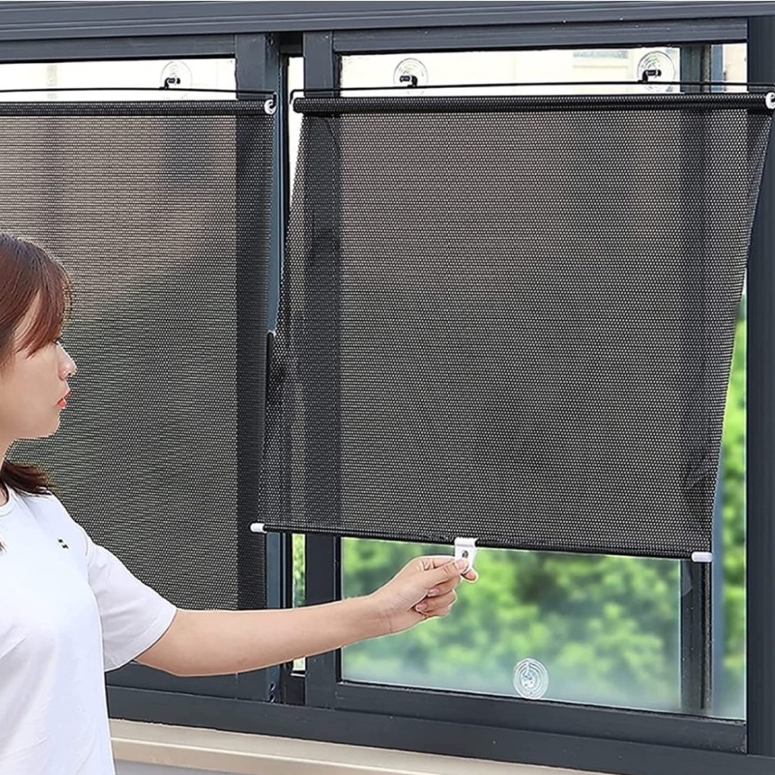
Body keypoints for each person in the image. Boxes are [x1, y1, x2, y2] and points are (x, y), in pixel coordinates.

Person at [0, 233, 478, 775]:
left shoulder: (40, 516)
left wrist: (381, 611)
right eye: (47, 341)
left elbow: (179, 638)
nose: (69, 364)